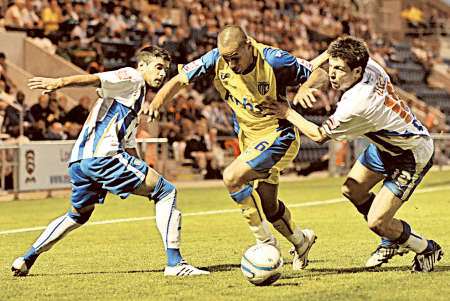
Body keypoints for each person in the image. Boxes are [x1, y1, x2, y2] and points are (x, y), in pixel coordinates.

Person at [11, 46, 209, 277]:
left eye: (165, 70)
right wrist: (59, 83)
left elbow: (129, 144)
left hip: (80, 162)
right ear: (142, 65)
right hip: (103, 157)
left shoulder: (134, 97)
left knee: (78, 215)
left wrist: (143, 170)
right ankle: (175, 264)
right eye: (158, 67)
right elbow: (95, 79)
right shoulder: (132, 77)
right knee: (166, 191)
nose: (162, 74)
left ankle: (27, 258)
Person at [147, 25, 326, 270]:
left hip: (278, 135)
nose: (230, 64)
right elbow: (180, 79)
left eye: (235, 57)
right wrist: (157, 101)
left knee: (232, 177)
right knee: (269, 205)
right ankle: (301, 240)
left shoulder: (274, 60)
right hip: (249, 139)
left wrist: (306, 87)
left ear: (249, 47)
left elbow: (319, 73)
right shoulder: (215, 59)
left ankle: (266, 243)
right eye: (226, 58)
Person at [263, 36, 443, 272]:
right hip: (388, 146)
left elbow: (318, 135)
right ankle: (390, 240)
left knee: (377, 222)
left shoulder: (357, 104)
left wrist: (287, 112)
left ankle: (426, 248)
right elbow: (332, 54)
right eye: (333, 68)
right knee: (352, 189)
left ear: (357, 71)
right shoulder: (368, 64)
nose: (333, 74)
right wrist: (307, 83)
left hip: (411, 155)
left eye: (340, 70)